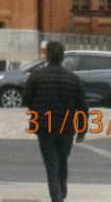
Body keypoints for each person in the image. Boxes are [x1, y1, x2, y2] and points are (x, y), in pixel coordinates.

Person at [23, 41, 88, 202]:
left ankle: (57, 197)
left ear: (47, 56)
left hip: (44, 125)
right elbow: (82, 107)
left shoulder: (36, 76)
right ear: (63, 56)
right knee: (62, 160)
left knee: (51, 163)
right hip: (67, 126)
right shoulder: (73, 78)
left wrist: (35, 110)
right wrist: (82, 130)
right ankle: (61, 191)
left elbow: (26, 99)